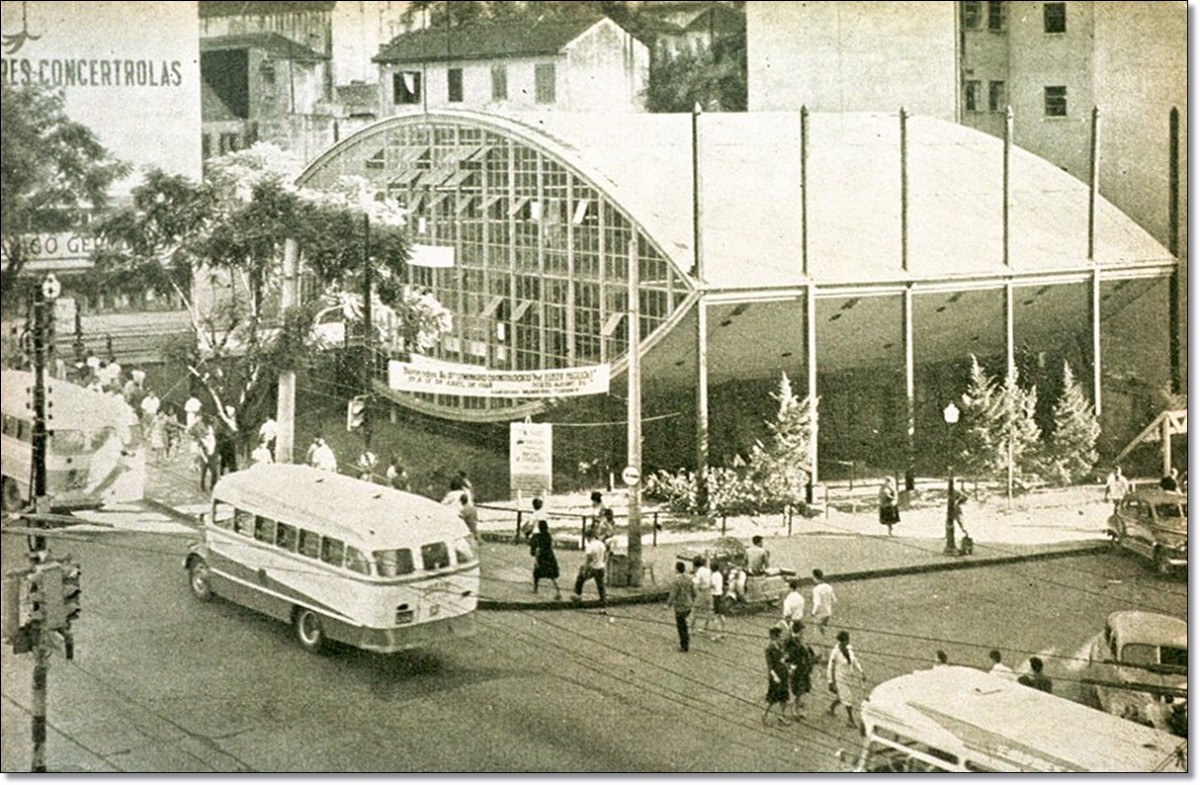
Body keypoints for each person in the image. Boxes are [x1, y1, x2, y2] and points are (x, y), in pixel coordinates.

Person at [827, 630, 865, 728]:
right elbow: (830, 667)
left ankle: (831, 707)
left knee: (843, 695)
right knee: (848, 697)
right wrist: (830, 681)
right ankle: (850, 719)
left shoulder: (849, 649)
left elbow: (854, 660)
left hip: (849, 676)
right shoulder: (835, 652)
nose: (848, 642)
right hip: (840, 677)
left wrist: (861, 671)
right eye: (846, 640)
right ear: (842, 641)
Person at [784, 620, 817, 719]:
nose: (803, 632)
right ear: (799, 630)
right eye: (802, 630)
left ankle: (797, 710)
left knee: (801, 691)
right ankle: (794, 710)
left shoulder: (800, 641)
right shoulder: (792, 642)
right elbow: (789, 656)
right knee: (797, 691)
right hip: (797, 669)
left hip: (803, 669)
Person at [572, 527, 608, 611]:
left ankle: (578, 597)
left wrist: (585, 569)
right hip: (601, 567)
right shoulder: (601, 544)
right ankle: (603, 604)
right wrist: (603, 563)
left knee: (580, 580)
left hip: (593, 568)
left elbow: (589, 559)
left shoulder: (590, 546)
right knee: (601, 586)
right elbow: (605, 556)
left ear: (588, 537)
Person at [763, 625, 792, 726]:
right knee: (773, 698)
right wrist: (774, 676)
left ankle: (781, 716)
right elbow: (770, 665)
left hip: (783, 674)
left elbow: (782, 659)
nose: (781, 638)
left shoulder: (779, 646)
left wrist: (788, 666)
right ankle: (764, 715)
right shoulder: (769, 649)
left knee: (784, 697)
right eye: (779, 636)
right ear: (775, 637)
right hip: (776, 676)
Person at [666, 561, 695, 652]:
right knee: (685, 625)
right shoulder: (689, 579)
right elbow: (693, 591)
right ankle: (686, 643)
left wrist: (668, 604)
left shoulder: (676, 581)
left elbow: (673, 594)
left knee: (681, 626)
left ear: (677, 569)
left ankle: (684, 645)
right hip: (688, 604)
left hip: (680, 606)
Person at [530, 518, 562, 600]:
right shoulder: (548, 535)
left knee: (536, 573)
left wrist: (536, 560)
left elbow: (538, 549)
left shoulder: (539, 537)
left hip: (542, 557)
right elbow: (551, 546)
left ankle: (535, 589)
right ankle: (558, 590)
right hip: (550, 556)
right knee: (551, 575)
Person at [690, 555, 713, 635]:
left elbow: (695, 585)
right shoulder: (708, 570)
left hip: (702, 591)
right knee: (709, 611)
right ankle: (705, 628)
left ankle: (691, 629)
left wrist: (696, 594)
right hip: (709, 591)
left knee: (695, 610)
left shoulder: (699, 572)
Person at [810, 569, 837, 634]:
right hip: (828, 612)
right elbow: (834, 600)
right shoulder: (829, 587)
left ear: (815, 577)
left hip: (820, 613)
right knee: (823, 629)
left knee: (817, 631)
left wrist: (813, 612)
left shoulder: (816, 589)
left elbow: (817, 603)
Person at [197, 420, 219, 492]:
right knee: (203, 472)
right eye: (208, 433)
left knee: (214, 472)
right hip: (204, 457)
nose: (210, 434)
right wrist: (204, 458)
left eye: (211, 433)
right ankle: (202, 486)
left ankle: (213, 486)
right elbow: (200, 449)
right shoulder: (202, 440)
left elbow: (215, 447)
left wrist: (216, 456)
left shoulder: (213, 439)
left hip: (212, 457)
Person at [708, 562, 727, 641]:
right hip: (720, 594)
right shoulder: (719, 575)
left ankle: (717, 634)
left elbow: (713, 585)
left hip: (714, 595)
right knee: (721, 614)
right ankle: (723, 631)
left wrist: (708, 585)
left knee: (714, 616)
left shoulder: (713, 576)